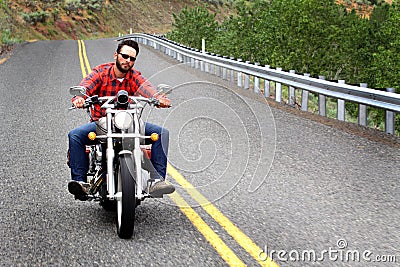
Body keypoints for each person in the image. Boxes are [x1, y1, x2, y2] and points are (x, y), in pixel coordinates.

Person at [68, 39, 175, 199]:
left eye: (132, 58)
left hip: (130, 123)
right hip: (102, 124)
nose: (128, 61)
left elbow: (147, 88)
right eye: (125, 56)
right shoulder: (101, 72)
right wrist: (80, 97)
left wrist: (158, 98)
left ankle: (156, 181)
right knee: (75, 136)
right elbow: (87, 85)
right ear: (116, 55)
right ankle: (81, 182)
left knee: (161, 133)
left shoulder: (134, 77)